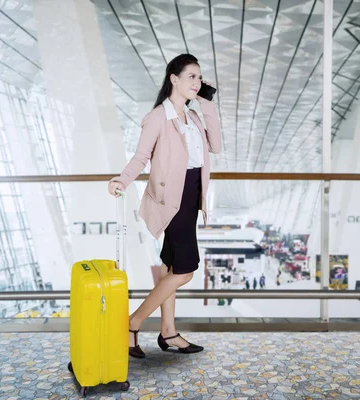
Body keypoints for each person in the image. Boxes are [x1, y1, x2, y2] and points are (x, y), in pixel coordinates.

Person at [108, 54, 221, 358]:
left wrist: (208, 104)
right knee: (185, 271)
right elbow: (141, 157)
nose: (197, 82)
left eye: (199, 77)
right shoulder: (158, 117)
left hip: (191, 196)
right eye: (191, 77)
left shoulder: (195, 116)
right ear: (174, 79)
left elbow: (217, 146)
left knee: (172, 266)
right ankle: (132, 323)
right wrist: (122, 179)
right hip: (172, 199)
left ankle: (168, 333)